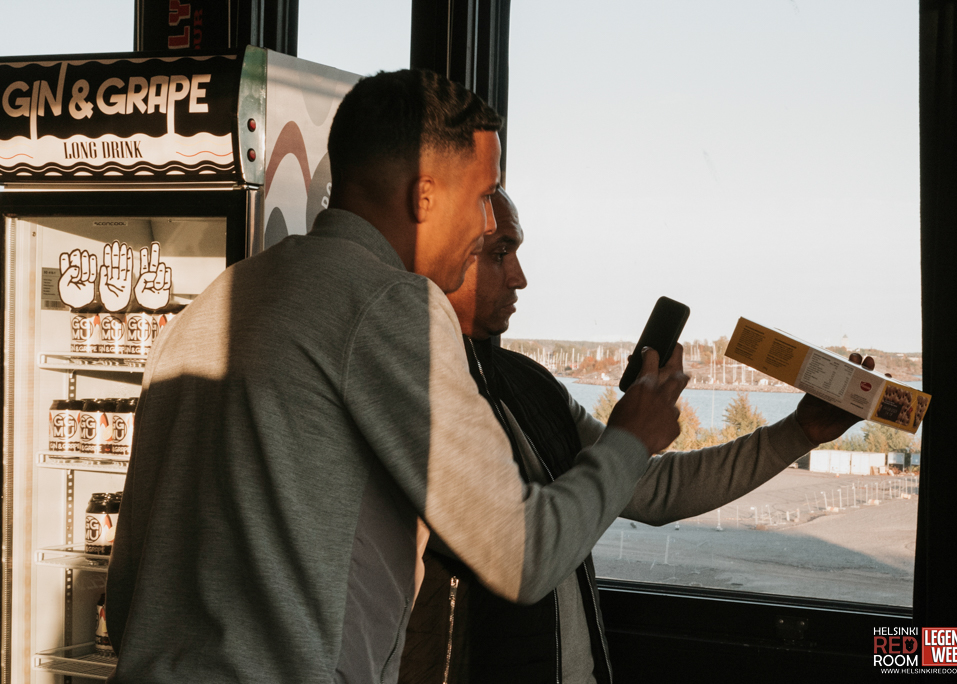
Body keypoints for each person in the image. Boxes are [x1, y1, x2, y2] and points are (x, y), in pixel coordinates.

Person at [104, 70, 687, 684]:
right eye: (484, 196)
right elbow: (524, 554)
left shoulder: (210, 308)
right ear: (424, 197)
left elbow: (129, 592)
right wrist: (631, 438)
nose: (486, 226)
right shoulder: (391, 302)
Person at [398, 187, 878, 684]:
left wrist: (799, 432)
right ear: (444, 249)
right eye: (501, 252)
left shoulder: (530, 383)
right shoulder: (413, 393)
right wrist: (630, 437)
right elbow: (525, 557)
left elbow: (653, 488)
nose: (520, 277)